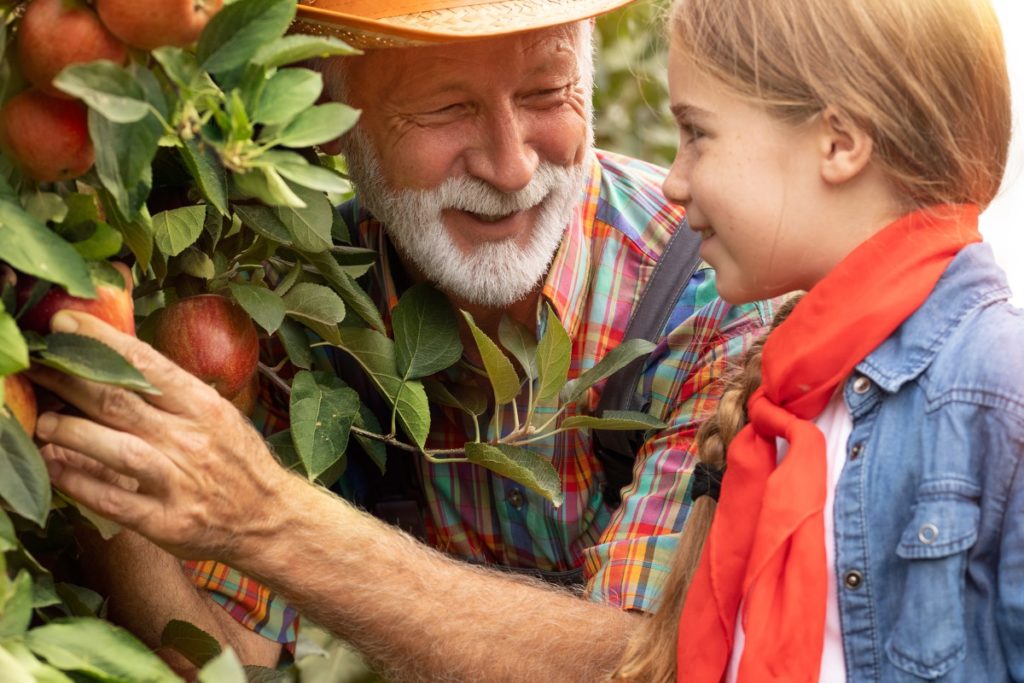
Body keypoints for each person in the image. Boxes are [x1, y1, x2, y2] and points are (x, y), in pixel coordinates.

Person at [29, 1, 777, 680]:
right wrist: (96, 427)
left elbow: (646, 667)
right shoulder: (305, 299)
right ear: (333, 114)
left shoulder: (712, 297)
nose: (511, 165)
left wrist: (263, 514)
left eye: (547, 94)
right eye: (445, 106)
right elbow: (229, 654)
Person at [608, 0, 1023, 680]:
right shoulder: (790, 390)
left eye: (696, 133)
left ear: (838, 143)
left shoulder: (998, 388)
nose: (674, 181)